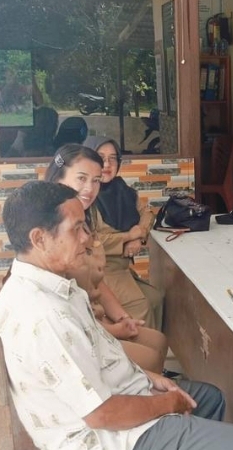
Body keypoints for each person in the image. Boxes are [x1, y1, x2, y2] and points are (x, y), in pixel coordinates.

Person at [0, 181, 233, 450]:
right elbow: (102, 415)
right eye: (76, 229)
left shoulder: (53, 284)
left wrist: (148, 377)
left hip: (118, 395)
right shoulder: (44, 316)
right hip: (107, 437)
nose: (86, 238)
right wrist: (165, 404)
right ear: (39, 239)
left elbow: (98, 356)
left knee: (211, 398)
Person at [45, 144, 168, 374]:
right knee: (150, 350)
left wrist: (121, 317)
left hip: (97, 308)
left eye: (96, 180)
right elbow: (70, 315)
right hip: (82, 329)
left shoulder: (87, 212)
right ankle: (148, 383)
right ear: (59, 177)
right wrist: (116, 328)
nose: (90, 188)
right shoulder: (55, 228)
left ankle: (151, 379)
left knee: (158, 335)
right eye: (81, 178)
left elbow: (96, 282)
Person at [82, 136, 163, 330]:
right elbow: (92, 240)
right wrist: (128, 237)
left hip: (123, 268)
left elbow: (147, 214)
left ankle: (158, 345)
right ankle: (140, 348)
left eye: (113, 158)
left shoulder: (123, 190)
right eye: (100, 158)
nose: (107, 164)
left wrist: (139, 237)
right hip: (102, 271)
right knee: (141, 308)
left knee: (156, 299)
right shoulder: (87, 195)